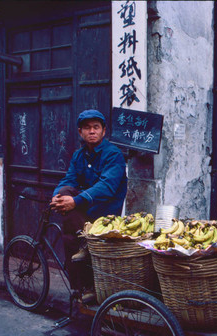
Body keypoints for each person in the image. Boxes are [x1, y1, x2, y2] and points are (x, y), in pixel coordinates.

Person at [51, 109, 127, 303]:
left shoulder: (113, 155)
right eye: (87, 128)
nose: (91, 131)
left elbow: (107, 187)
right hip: (82, 214)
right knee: (66, 198)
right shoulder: (79, 155)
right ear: (80, 132)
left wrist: (75, 201)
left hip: (104, 214)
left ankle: (85, 285)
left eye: (96, 127)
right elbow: (69, 179)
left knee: (72, 231)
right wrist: (57, 198)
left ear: (103, 131)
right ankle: (81, 286)